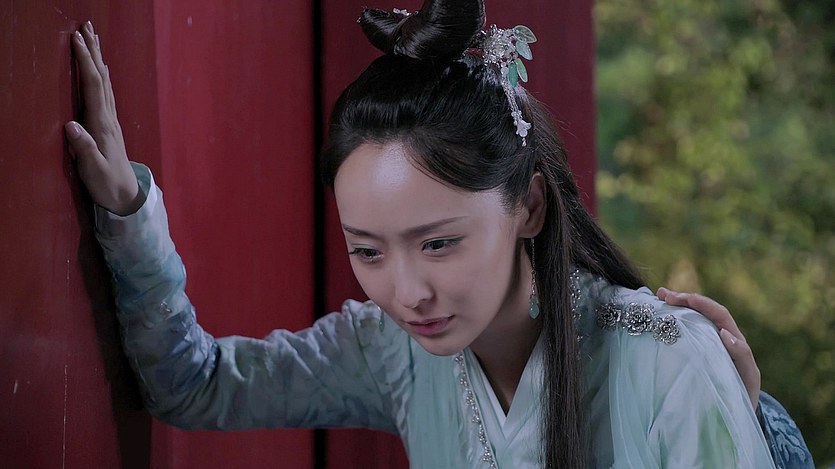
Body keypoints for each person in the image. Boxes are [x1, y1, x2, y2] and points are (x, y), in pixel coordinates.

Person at [63, 0, 813, 467]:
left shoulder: (668, 363)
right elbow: (194, 385)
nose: (406, 292)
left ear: (529, 206)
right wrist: (128, 210)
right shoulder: (391, 350)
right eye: (367, 251)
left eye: (438, 242)